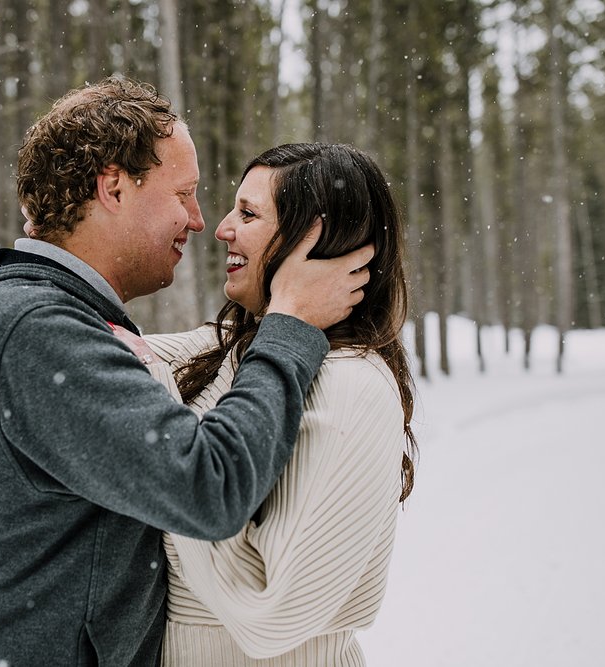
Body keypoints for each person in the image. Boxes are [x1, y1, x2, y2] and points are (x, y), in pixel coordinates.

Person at [0, 78, 374, 666]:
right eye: (184, 193)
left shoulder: (46, 318)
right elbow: (210, 487)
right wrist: (291, 324)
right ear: (113, 187)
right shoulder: (37, 330)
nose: (198, 220)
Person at [118, 143, 417, 665]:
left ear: (315, 242)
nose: (221, 228)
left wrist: (160, 432)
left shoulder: (354, 390)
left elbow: (270, 616)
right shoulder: (239, 350)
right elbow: (108, 352)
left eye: (249, 213)